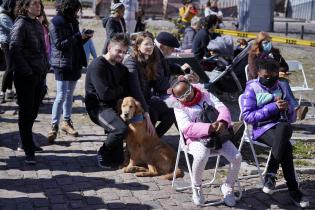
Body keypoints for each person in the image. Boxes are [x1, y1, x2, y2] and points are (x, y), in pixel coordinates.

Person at [241, 58, 309, 208]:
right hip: (262, 129)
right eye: (265, 76)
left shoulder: (282, 86)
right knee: (287, 148)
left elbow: (291, 119)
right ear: (258, 73)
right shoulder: (252, 88)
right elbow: (247, 117)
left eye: (274, 76)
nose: (270, 79)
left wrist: (288, 109)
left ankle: (271, 174)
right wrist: (273, 107)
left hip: (282, 127)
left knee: (284, 127)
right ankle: (294, 190)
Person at [167, 79, 241, 206]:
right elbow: (185, 127)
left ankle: (228, 186)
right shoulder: (177, 106)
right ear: (176, 98)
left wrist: (222, 121)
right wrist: (208, 128)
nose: (187, 96)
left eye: (188, 91)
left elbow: (222, 107)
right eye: (181, 96)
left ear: (192, 86)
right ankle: (197, 187)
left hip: (217, 134)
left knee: (237, 157)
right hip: (194, 138)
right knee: (202, 154)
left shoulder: (205, 94)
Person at [47, 0, 92, 143]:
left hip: (75, 62)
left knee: (70, 95)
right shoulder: (56, 22)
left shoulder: (73, 20)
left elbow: (75, 42)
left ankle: (66, 122)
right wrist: (78, 37)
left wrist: (84, 38)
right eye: (75, 10)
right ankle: (54, 126)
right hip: (62, 63)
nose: (77, 13)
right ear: (68, 9)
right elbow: (60, 44)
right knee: (61, 95)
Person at [10, 0, 49, 164]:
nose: (38, 6)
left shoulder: (36, 23)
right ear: (25, 7)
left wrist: (44, 67)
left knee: (33, 111)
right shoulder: (20, 24)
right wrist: (28, 71)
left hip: (38, 74)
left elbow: (41, 49)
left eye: (39, 4)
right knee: (26, 113)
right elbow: (14, 49)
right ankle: (27, 149)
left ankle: (28, 141)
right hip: (26, 76)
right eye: (34, 4)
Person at [85, 33, 130, 169]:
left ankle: (115, 151)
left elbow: (126, 89)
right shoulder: (98, 65)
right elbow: (104, 94)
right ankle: (102, 152)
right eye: (118, 51)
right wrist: (121, 89)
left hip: (114, 106)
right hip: (98, 107)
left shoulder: (121, 68)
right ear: (109, 47)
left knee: (118, 159)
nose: (121, 55)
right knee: (120, 129)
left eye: (124, 52)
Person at [124, 32, 175, 137]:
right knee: (153, 113)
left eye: (151, 44)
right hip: (133, 102)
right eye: (146, 44)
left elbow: (158, 81)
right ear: (138, 46)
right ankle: (141, 144)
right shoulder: (132, 62)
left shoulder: (148, 61)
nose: (150, 47)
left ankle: (153, 139)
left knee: (172, 111)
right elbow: (136, 91)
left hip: (146, 99)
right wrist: (146, 112)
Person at [248, 31, 308, 120]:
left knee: (282, 82)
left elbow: (285, 66)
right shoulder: (254, 55)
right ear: (259, 44)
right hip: (260, 81)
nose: (268, 44)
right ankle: (296, 109)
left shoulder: (275, 53)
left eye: (269, 42)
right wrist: (274, 74)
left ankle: (291, 111)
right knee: (283, 83)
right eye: (265, 42)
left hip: (274, 80)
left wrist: (281, 71)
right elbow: (254, 72)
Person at [0, 0, 16, 104]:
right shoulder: (3, 16)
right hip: (6, 43)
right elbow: (13, 29)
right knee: (9, 67)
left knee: (11, 67)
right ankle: (2, 92)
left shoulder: (8, 14)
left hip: (11, 43)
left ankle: (10, 90)